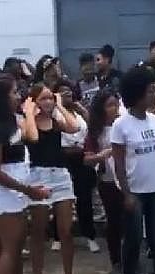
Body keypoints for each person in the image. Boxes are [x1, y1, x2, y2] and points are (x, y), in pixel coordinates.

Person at [0, 74, 49, 274]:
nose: (18, 96)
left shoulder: (11, 120)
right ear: (1, 98)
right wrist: (28, 190)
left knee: (16, 248)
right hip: (4, 193)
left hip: (15, 192)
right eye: (13, 92)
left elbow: (31, 136)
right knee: (10, 250)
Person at [111, 67, 155, 274]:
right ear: (136, 93)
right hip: (135, 193)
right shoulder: (121, 125)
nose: (153, 95)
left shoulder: (154, 121)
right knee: (133, 241)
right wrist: (126, 193)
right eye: (149, 91)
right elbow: (118, 163)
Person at [25, 83, 79, 274]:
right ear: (34, 101)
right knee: (39, 231)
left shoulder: (57, 121)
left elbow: (74, 127)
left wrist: (60, 106)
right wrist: (30, 112)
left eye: (50, 98)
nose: (48, 102)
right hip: (38, 177)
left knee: (66, 231)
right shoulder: (28, 123)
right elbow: (33, 137)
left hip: (61, 176)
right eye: (43, 98)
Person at [55, 79, 100, 253]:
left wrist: (81, 108)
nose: (67, 93)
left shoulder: (79, 113)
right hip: (63, 159)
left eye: (69, 90)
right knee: (60, 198)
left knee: (84, 199)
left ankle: (89, 236)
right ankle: (58, 236)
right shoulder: (55, 114)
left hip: (82, 159)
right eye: (62, 91)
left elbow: (93, 127)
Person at [84, 89, 124, 274]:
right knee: (114, 222)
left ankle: (131, 260)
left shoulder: (124, 124)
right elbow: (88, 159)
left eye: (116, 104)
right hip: (108, 181)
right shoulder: (95, 131)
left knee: (130, 222)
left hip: (129, 180)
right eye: (109, 105)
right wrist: (103, 154)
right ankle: (116, 261)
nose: (114, 109)